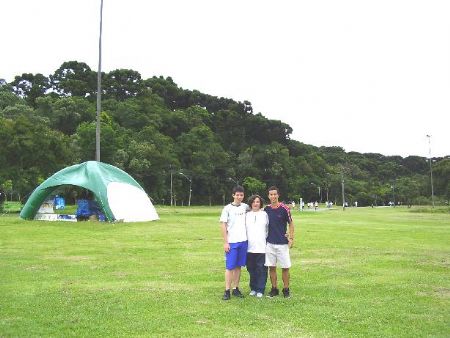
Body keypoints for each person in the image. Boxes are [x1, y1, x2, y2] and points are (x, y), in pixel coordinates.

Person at [264, 186, 295, 298]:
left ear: (278, 195)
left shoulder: (284, 208)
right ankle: (274, 289)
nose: (273, 196)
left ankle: (286, 289)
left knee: (285, 267)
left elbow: (291, 224)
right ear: (268, 196)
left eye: (275, 194)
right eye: (271, 194)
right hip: (270, 243)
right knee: (271, 267)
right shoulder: (266, 209)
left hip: (282, 243)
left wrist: (291, 238)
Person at [219, 185, 248, 300]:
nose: (239, 197)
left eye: (241, 195)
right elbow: (223, 225)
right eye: (237, 195)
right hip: (232, 242)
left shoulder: (246, 207)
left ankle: (236, 288)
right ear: (233, 195)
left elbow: (257, 209)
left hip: (243, 241)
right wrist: (226, 242)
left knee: (238, 266)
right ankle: (227, 290)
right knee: (230, 267)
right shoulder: (227, 208)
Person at [246, 195, 269, 298]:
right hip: (249, 247)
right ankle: (253, 288)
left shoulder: (264, 214)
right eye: (254, 202)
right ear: (251, 203)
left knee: (261, 269)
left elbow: (268, 229)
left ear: (260, 204)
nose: (256, 204)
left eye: (258, 202)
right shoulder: (247, 215)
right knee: (251, 269)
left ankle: (260, 289)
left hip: (261, 247)